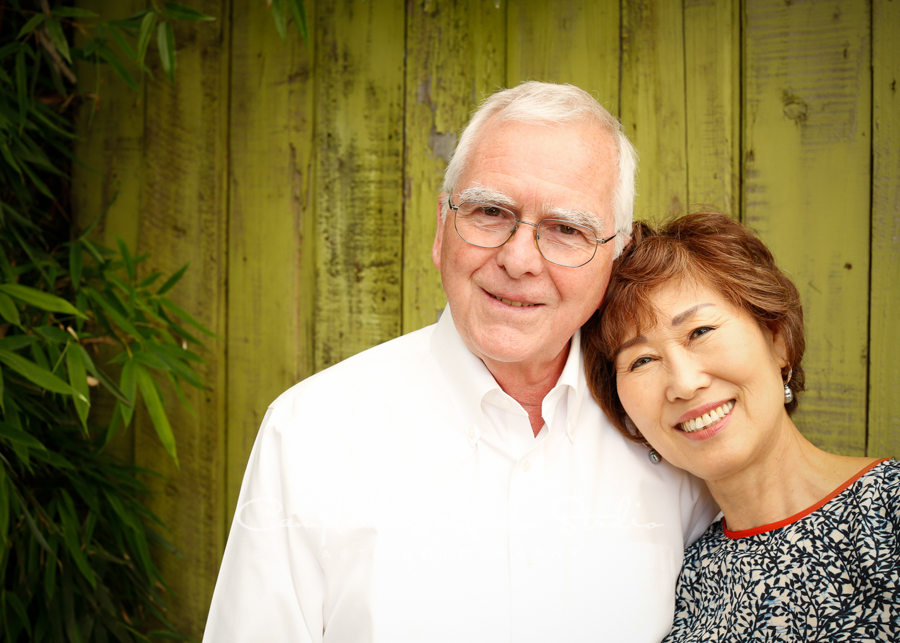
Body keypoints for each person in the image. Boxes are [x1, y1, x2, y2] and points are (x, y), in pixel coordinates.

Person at [202, 82, 718, 642]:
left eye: (567, 229)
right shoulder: (311, 432)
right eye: (490, 212)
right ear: (441, 227)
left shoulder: (670, 429)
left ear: (613, 258)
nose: (519, 260)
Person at [583, 212, 899, 642]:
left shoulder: (889, 510)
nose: (684, 383)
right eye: (641, 360)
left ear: (777, 340)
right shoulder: (673, 585)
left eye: (700, 331)